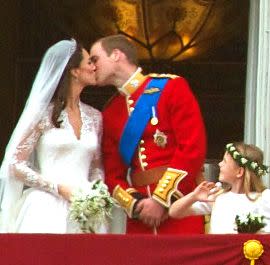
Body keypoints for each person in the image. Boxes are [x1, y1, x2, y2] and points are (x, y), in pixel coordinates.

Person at [89, 34, 207, 234]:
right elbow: (112, 175)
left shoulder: (171, 88)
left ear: (116, 55)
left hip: (181, 207)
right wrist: (136, 204)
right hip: (141, 218)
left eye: (95, 59)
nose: (92, 66)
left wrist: (161, 200)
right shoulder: (111, 111)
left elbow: (192, 148)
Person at [0, 39, 105, 233]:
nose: (94, 67)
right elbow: (15, 164)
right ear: (74, 71)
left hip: (85, 210)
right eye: (89, 62)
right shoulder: (42, 115)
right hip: (45, 207)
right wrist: (57, 188)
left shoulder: (95, 117)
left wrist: (96, 192)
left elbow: (96, 168)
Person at [169, 142, 270, 234]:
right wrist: (194, 196)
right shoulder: (218, 196)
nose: (219, 164)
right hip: (220, 253)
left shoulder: (264, 197)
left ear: (239, 172)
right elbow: (174, 212)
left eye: (225, 161)